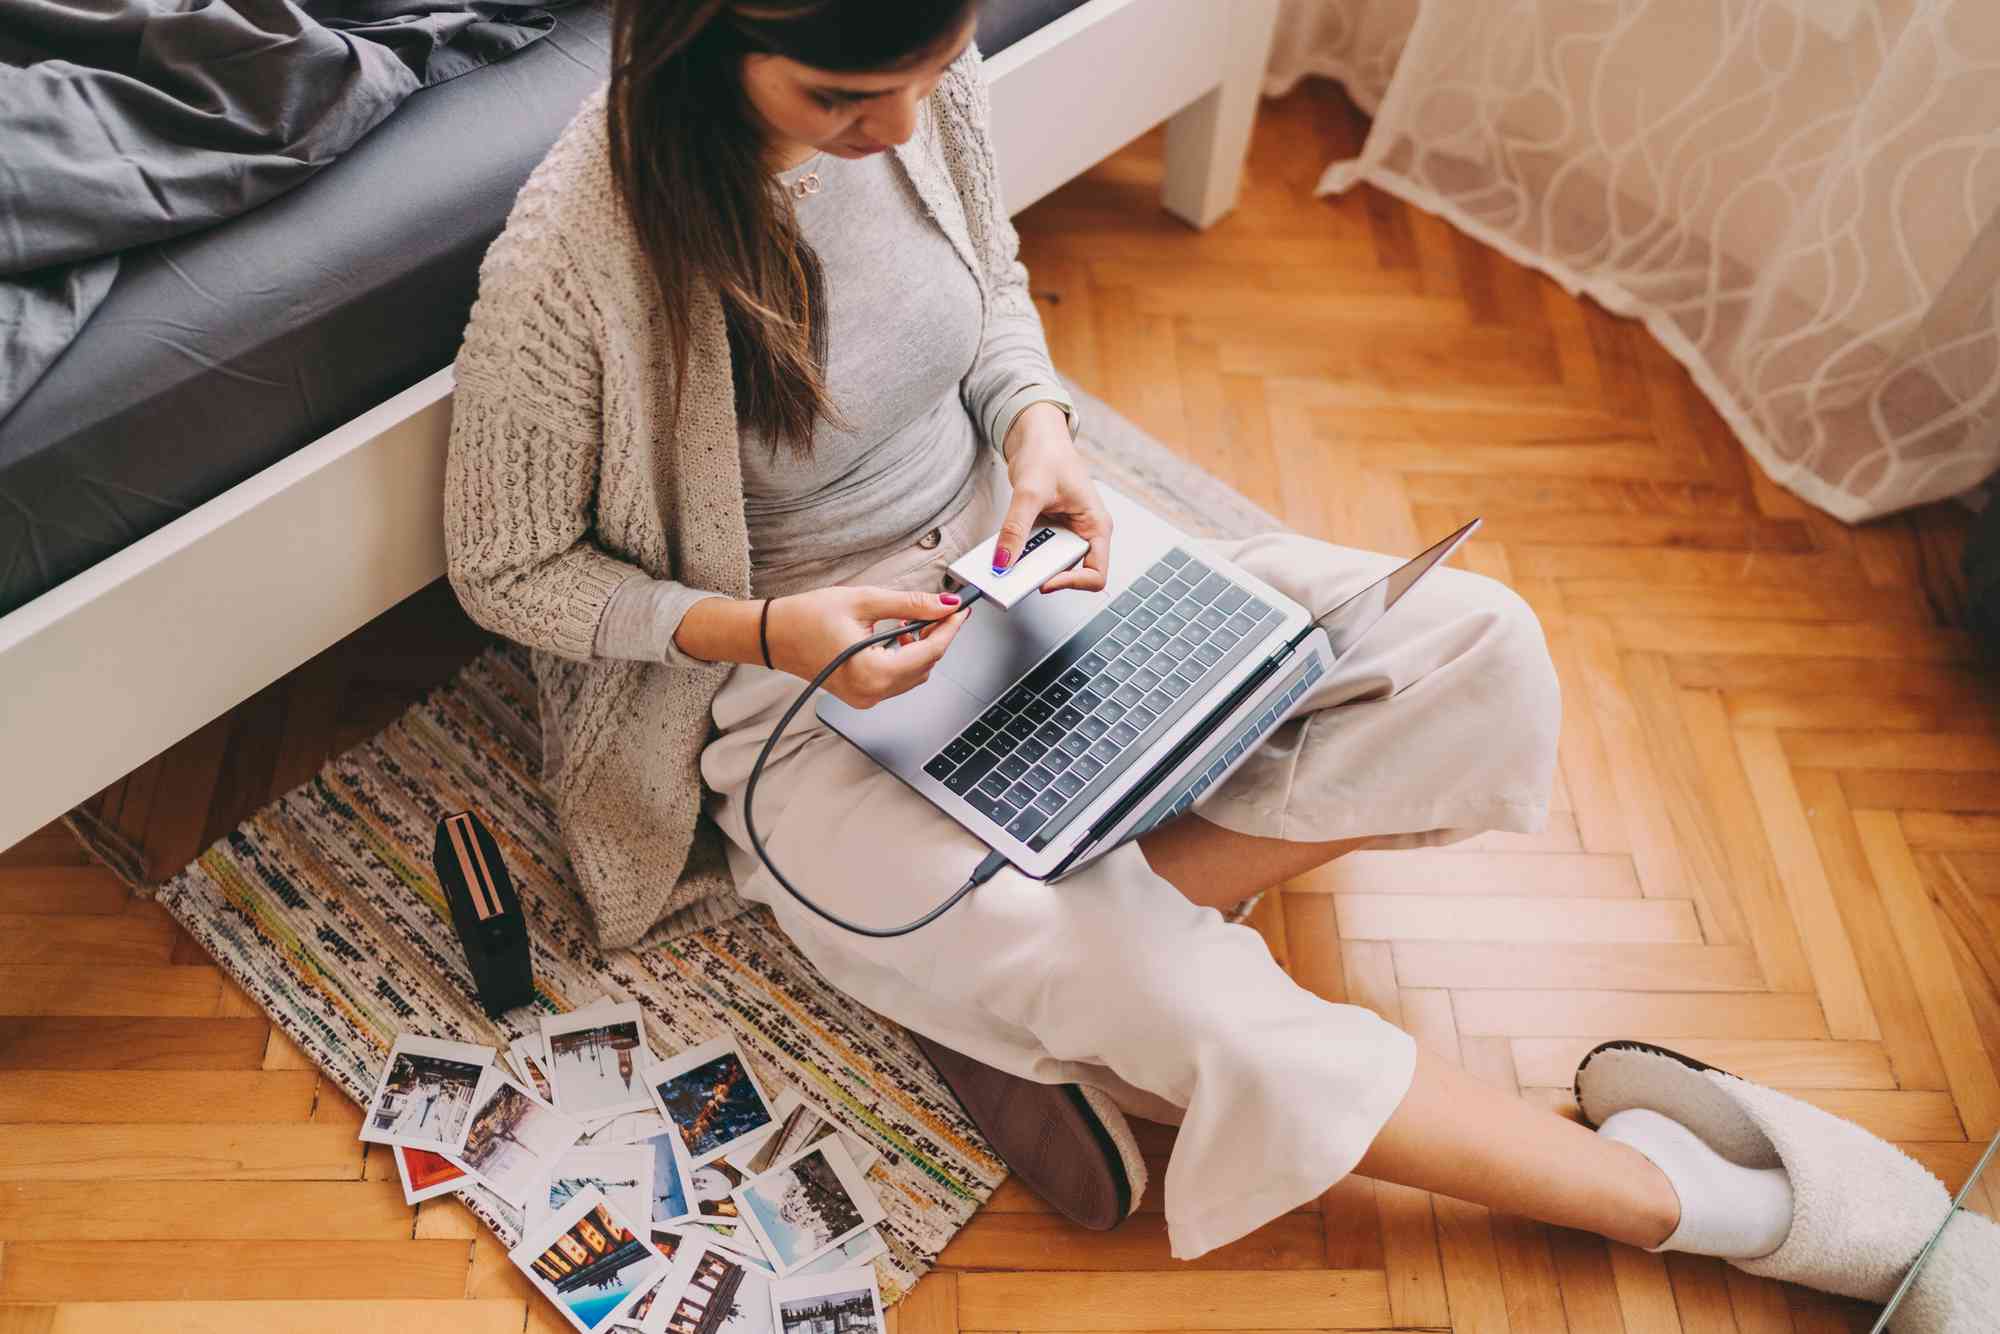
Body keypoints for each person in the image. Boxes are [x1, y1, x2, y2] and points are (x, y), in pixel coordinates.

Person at [443, 0, 1994, 1319]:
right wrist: (763, 629)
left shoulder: (923, 85)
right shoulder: (575, 256)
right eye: (845, 99)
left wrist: (1037, 430)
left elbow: (989, 290)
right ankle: (1717, 1207)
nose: (902, 129)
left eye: (933, 74)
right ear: (706, 42)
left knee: (1481, 651)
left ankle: (1025, 995)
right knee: (1168, 982)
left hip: (1013, 568)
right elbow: (506, 568)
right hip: (791, 696)